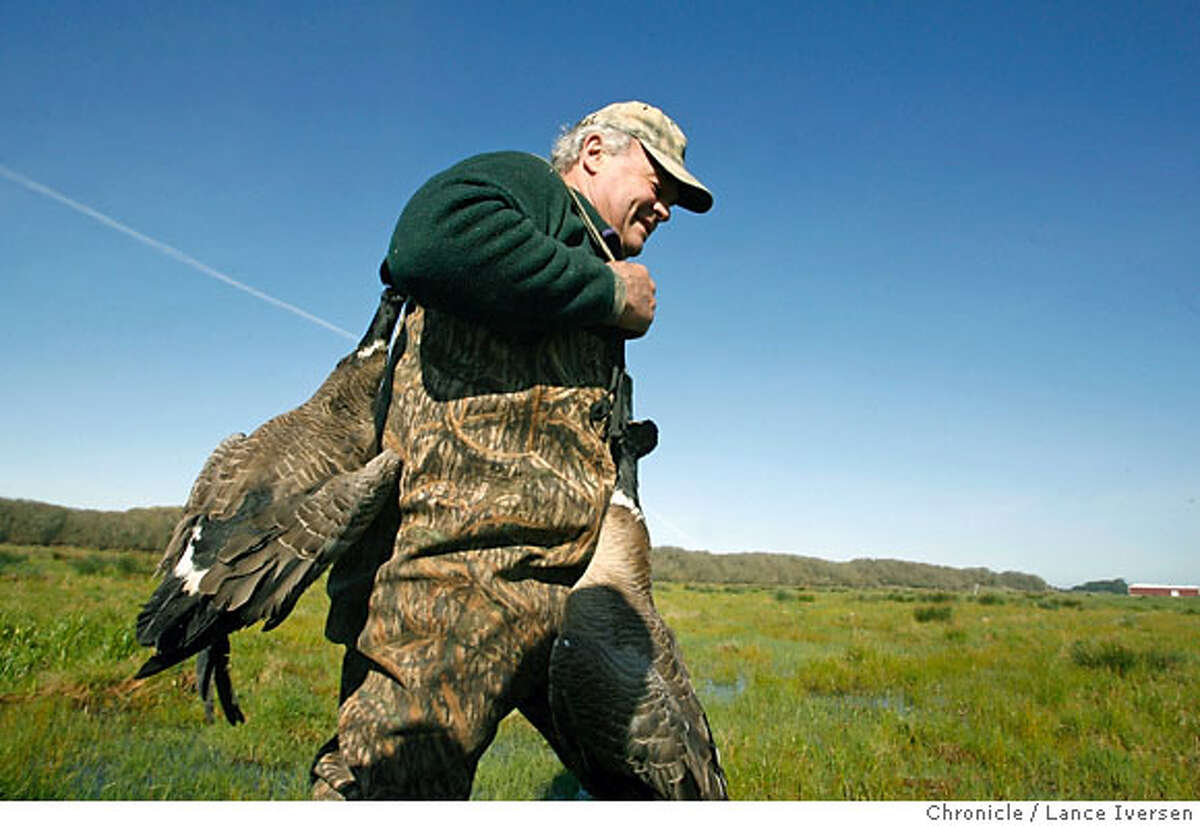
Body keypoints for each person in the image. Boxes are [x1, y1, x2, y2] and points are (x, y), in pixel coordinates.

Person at [310, 101, 713, 800]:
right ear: (594, 153)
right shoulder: (532, 189)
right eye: (660, 182)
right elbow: (430, 240)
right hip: (456, 592)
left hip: (572, 595)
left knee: (654, 791)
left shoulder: (581, 249)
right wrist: (606, 290)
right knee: (388, 787)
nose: (668, 208)